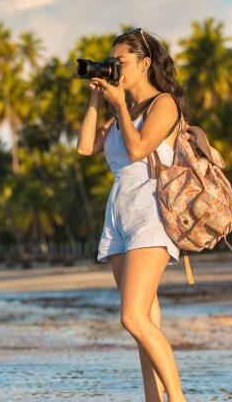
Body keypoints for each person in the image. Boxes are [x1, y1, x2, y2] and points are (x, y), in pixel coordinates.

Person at [76, 27, 188, 402]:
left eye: (120, 62)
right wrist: (97, 99)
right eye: (111, 63)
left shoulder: (163, 104)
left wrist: (121, 104)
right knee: (145, 323)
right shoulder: (121, 111)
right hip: (119, 217)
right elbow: (84, 147)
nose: (114, 68)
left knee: (133, 318)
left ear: (144, 63)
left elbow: (139, 149)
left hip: (150, 215)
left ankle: (178, 398)